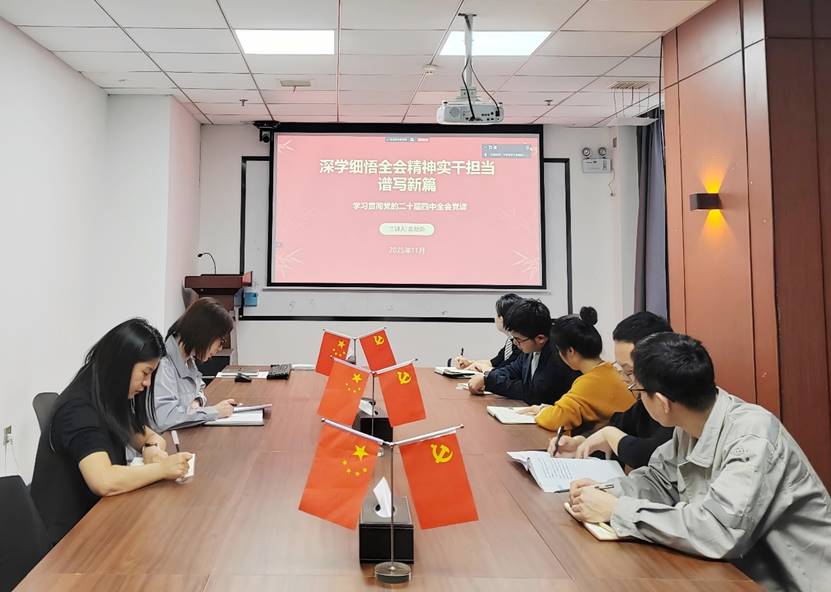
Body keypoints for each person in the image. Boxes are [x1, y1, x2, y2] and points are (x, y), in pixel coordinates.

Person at [567, 333, 831, 591]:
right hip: (732, 573)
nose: (637, 397)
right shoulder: (692, 425)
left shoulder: (753, 438)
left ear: (663, 402)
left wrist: (617, 510)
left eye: (637, 390)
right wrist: (604, 492)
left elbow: (717, 531)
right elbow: (659, 481)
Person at [30, 319, 193, 544]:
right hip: (69, 539)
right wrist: (162, 469)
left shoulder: (106, 396)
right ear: (122, 365)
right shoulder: (78, 409)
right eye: (145, 373)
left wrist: (152, 449)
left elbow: (149, 436)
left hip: (99, 516)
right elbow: (103, 480)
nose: (147, 383)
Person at [550, 311, 674, 468]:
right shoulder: (643, 400)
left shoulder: (676, 401)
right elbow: (618, 423)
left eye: (629, 371)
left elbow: (653, 454)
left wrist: (609, 435)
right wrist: (581, 442)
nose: (623, 378)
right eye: (621, 369)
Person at [516, 307, 633, 434]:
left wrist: (541, 411)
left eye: (559, 351)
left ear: (570, 351)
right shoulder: (609, 370)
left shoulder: (590, 382)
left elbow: (556, 419)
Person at [467, 299, 579, 405]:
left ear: (540, 338)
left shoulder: (558, 354)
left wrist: (490, 381)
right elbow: (511, 370)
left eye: (518, 339)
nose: (515, 343)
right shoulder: (530, 349)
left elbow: (534, 392)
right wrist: (487, 377)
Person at [152, 297, 237, 432]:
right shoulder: (164, 364)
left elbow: (199, 389)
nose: (220, 348)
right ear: (205, 332)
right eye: (221, 341)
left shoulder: (187, 360)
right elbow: (164, 418)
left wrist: (197, 402)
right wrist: (214, 411)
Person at [453, 293, 523, 372]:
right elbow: (494, 363)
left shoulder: (519, 344)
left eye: (497, 314)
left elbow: (503, 371)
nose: (495, 318)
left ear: (502, 319)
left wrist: (480, 367)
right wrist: (469, 363)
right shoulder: (510, 341)